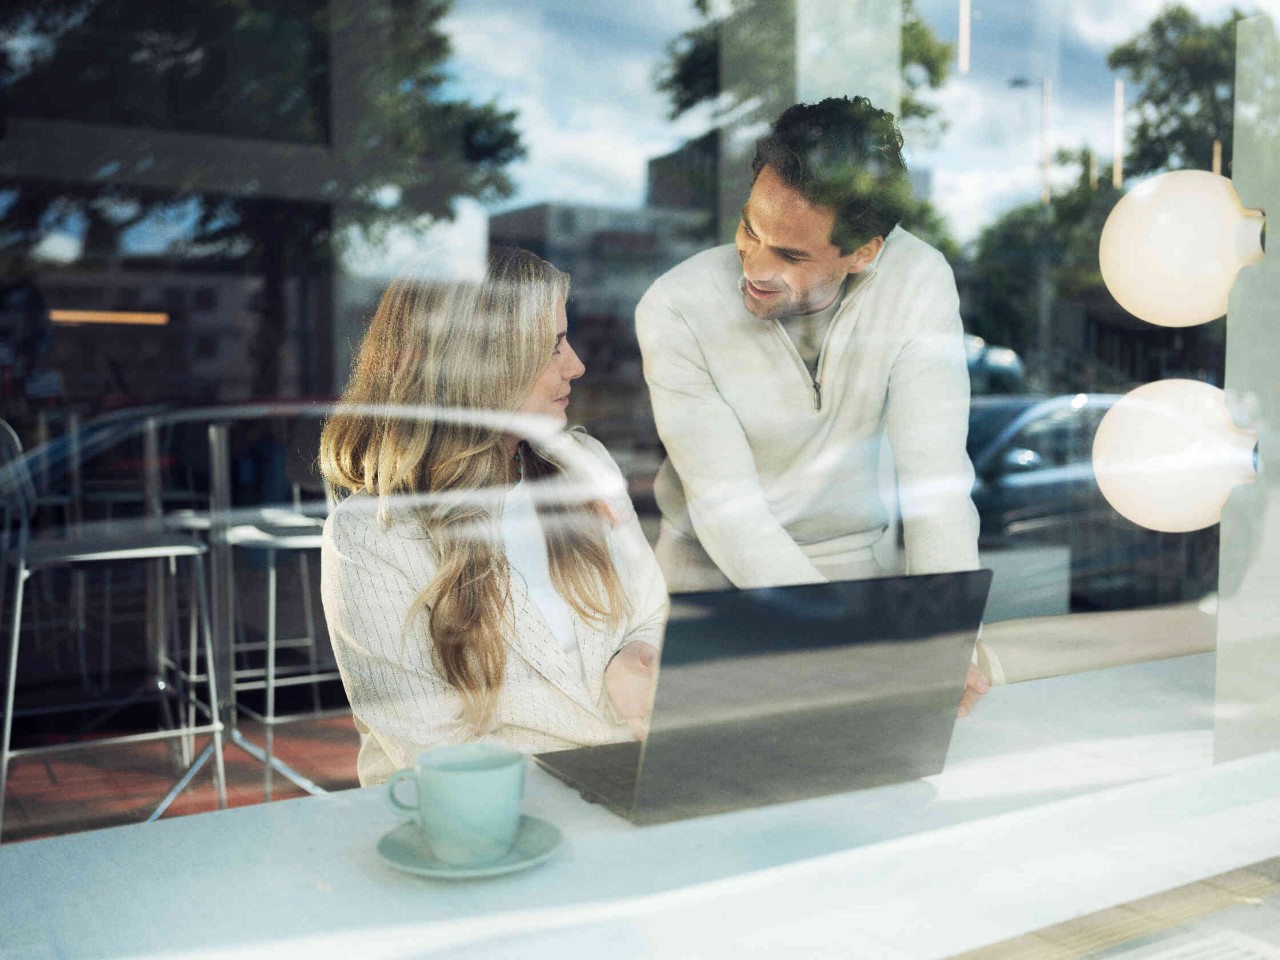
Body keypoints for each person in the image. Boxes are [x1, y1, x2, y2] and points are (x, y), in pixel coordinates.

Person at [635, 96, 990, 714]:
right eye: (750, 227)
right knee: (718, 786)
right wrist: (849, 645)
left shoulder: (918, 281)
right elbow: (729, 515)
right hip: (711, 580)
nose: (755, 265)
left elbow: (936, 482)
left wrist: (948, 634)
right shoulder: (675, 307)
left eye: (792, 255)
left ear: (864, 252)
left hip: (858, 569)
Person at [320, 247, 667, 785]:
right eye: (552, 346)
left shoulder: (583, 465)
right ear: (477, 364)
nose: (576, 364)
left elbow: (651, 608)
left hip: (631, 787)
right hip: (485, 828)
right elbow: (435, 751)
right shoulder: (372, 536)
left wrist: (636, 653)